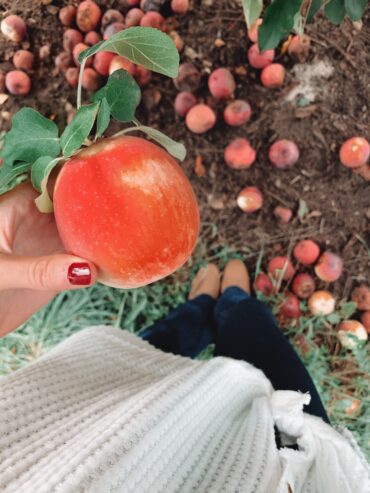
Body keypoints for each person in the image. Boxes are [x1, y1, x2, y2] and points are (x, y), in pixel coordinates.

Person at [0, 184, 369, 493]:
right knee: (253, 338)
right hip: (259, 466)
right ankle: (233, 305)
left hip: (67, 420)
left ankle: (199, 309)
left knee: (141, 360)